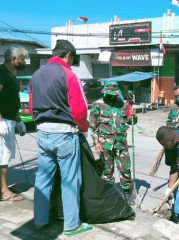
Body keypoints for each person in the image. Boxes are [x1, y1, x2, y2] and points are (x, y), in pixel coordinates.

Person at [29, 39, 92, 235]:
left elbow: (32, 108)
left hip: (42, 133)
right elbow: (79, 110)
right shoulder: (69, 75)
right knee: (70, 180)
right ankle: (72, 224)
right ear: (68, 55)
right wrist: (84, 128)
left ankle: (40, 221)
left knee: (43, 178)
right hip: (65, 134)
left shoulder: (36, 75)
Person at [89, 81, 137, 203]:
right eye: (109, 93)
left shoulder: (123, 104)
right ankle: (108, 194)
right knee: (106, 170)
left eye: (113, 94)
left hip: (121, 143)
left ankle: (127, 192)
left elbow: (131, 122)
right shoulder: (97, 105)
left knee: (125, 168)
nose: (111, 96)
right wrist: (96, 142)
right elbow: (92, 126)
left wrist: (133, 116)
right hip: (105, 144)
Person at [0, 45, 28, 201]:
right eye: (22, 58)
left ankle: (2, 188)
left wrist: (19, 121)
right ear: (13, 59)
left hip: (10, 120)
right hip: (2, 121)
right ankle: (4, 192)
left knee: (5, 157)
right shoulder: (1, 73)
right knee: (2, 157)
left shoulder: (11, 74)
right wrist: (0, 120)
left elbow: (12, 100)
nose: (24, 61)